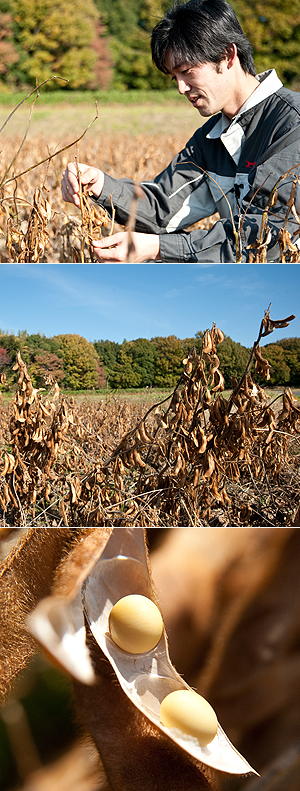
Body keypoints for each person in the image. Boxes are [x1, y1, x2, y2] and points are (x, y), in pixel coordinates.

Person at [61, 0, 300, 262]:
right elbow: (163, 207)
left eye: (187, 72)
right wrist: (100, 185)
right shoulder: (209, 139)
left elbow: (268, 237)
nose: (181, 88)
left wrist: (158, 248)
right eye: (174, 77)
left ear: (228, 55)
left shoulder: (291, 125)